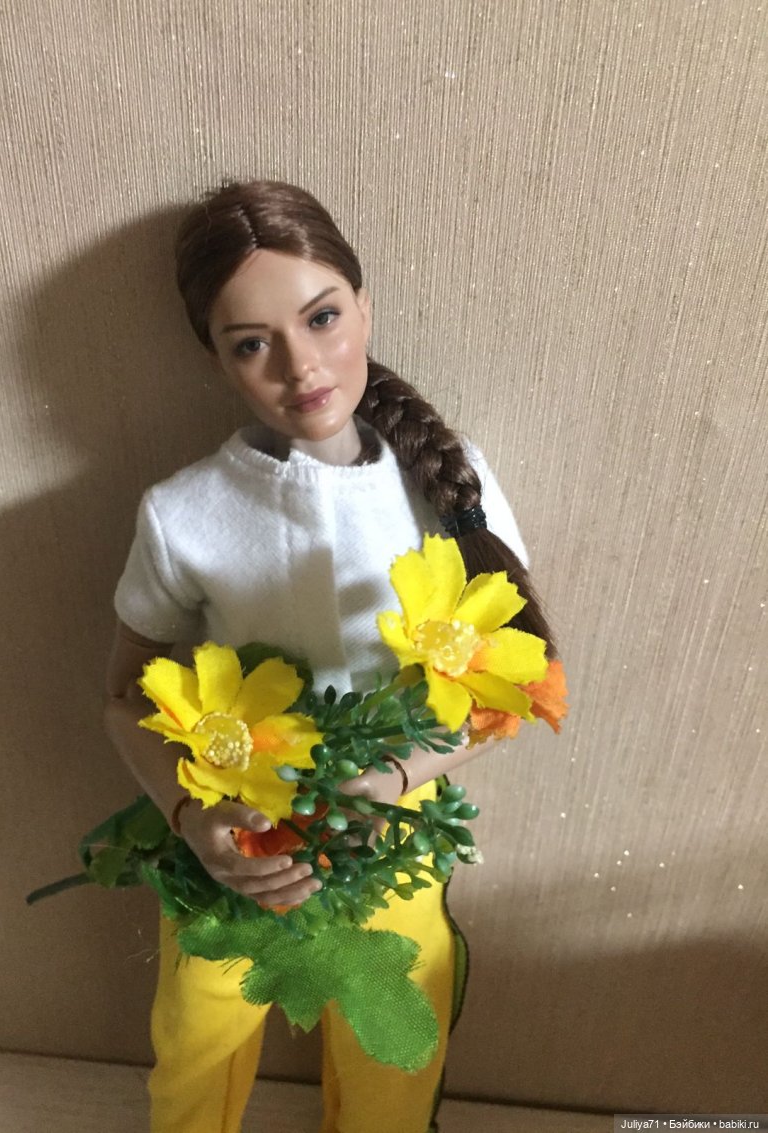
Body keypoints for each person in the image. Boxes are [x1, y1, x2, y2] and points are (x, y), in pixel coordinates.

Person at [104, 180, 555, 1133]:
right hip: (242, 832)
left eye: (322, 317)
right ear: (217, 359)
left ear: (364, 307)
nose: (300, 365)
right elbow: (122, 695)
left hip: (391, 829)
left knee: (396, 1042)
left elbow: (519, 684)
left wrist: (395, 776)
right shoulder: (185, 513)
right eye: (251, 343)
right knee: (198, 1040)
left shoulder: (449, 480)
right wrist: (193, 817)